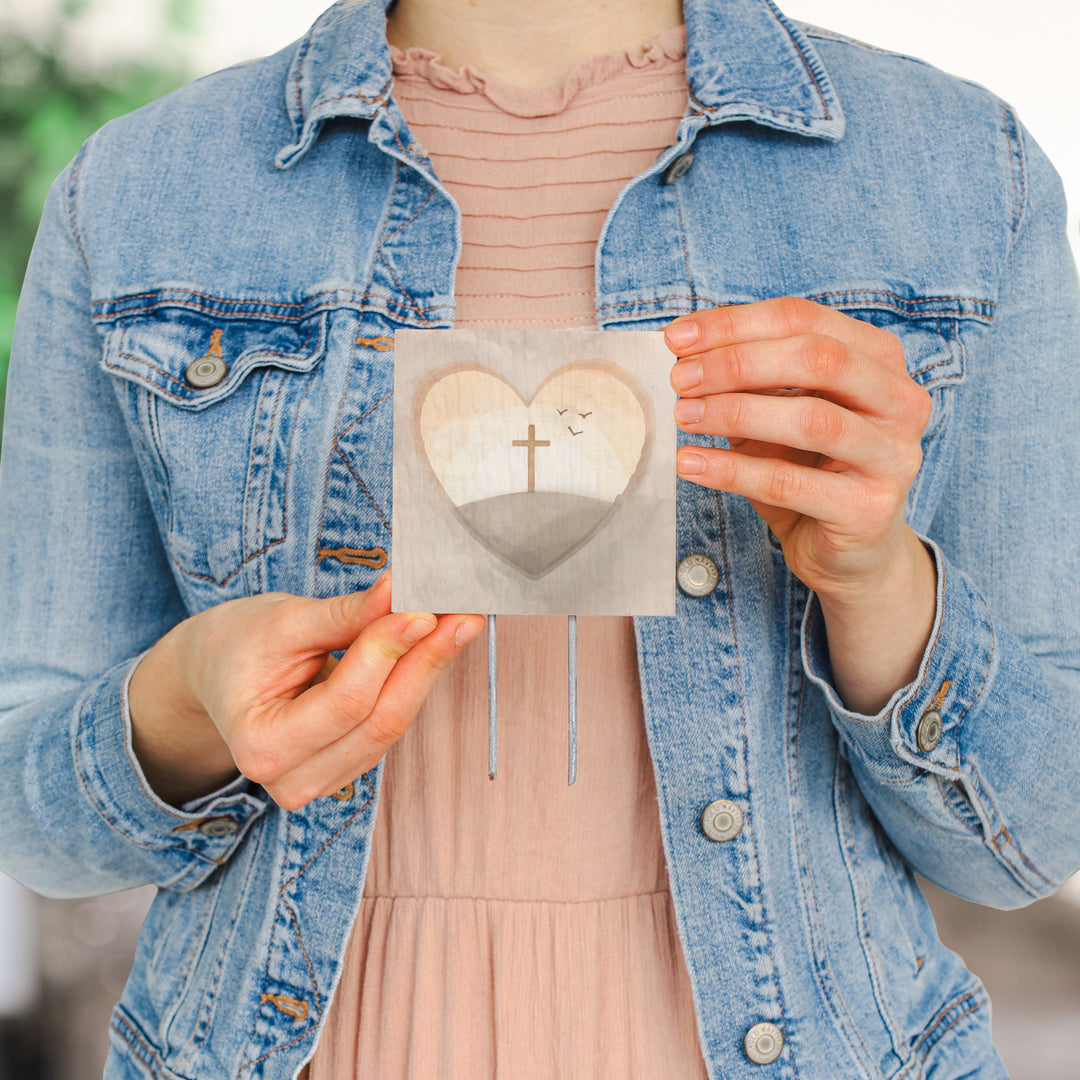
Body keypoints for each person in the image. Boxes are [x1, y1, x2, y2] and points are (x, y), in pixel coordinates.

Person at [1, 0, 1078, 1076]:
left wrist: (881, 587)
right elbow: (29, 812)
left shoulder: (968, 178)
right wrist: (188, 705)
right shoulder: (138, 194)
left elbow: (1035, 837)